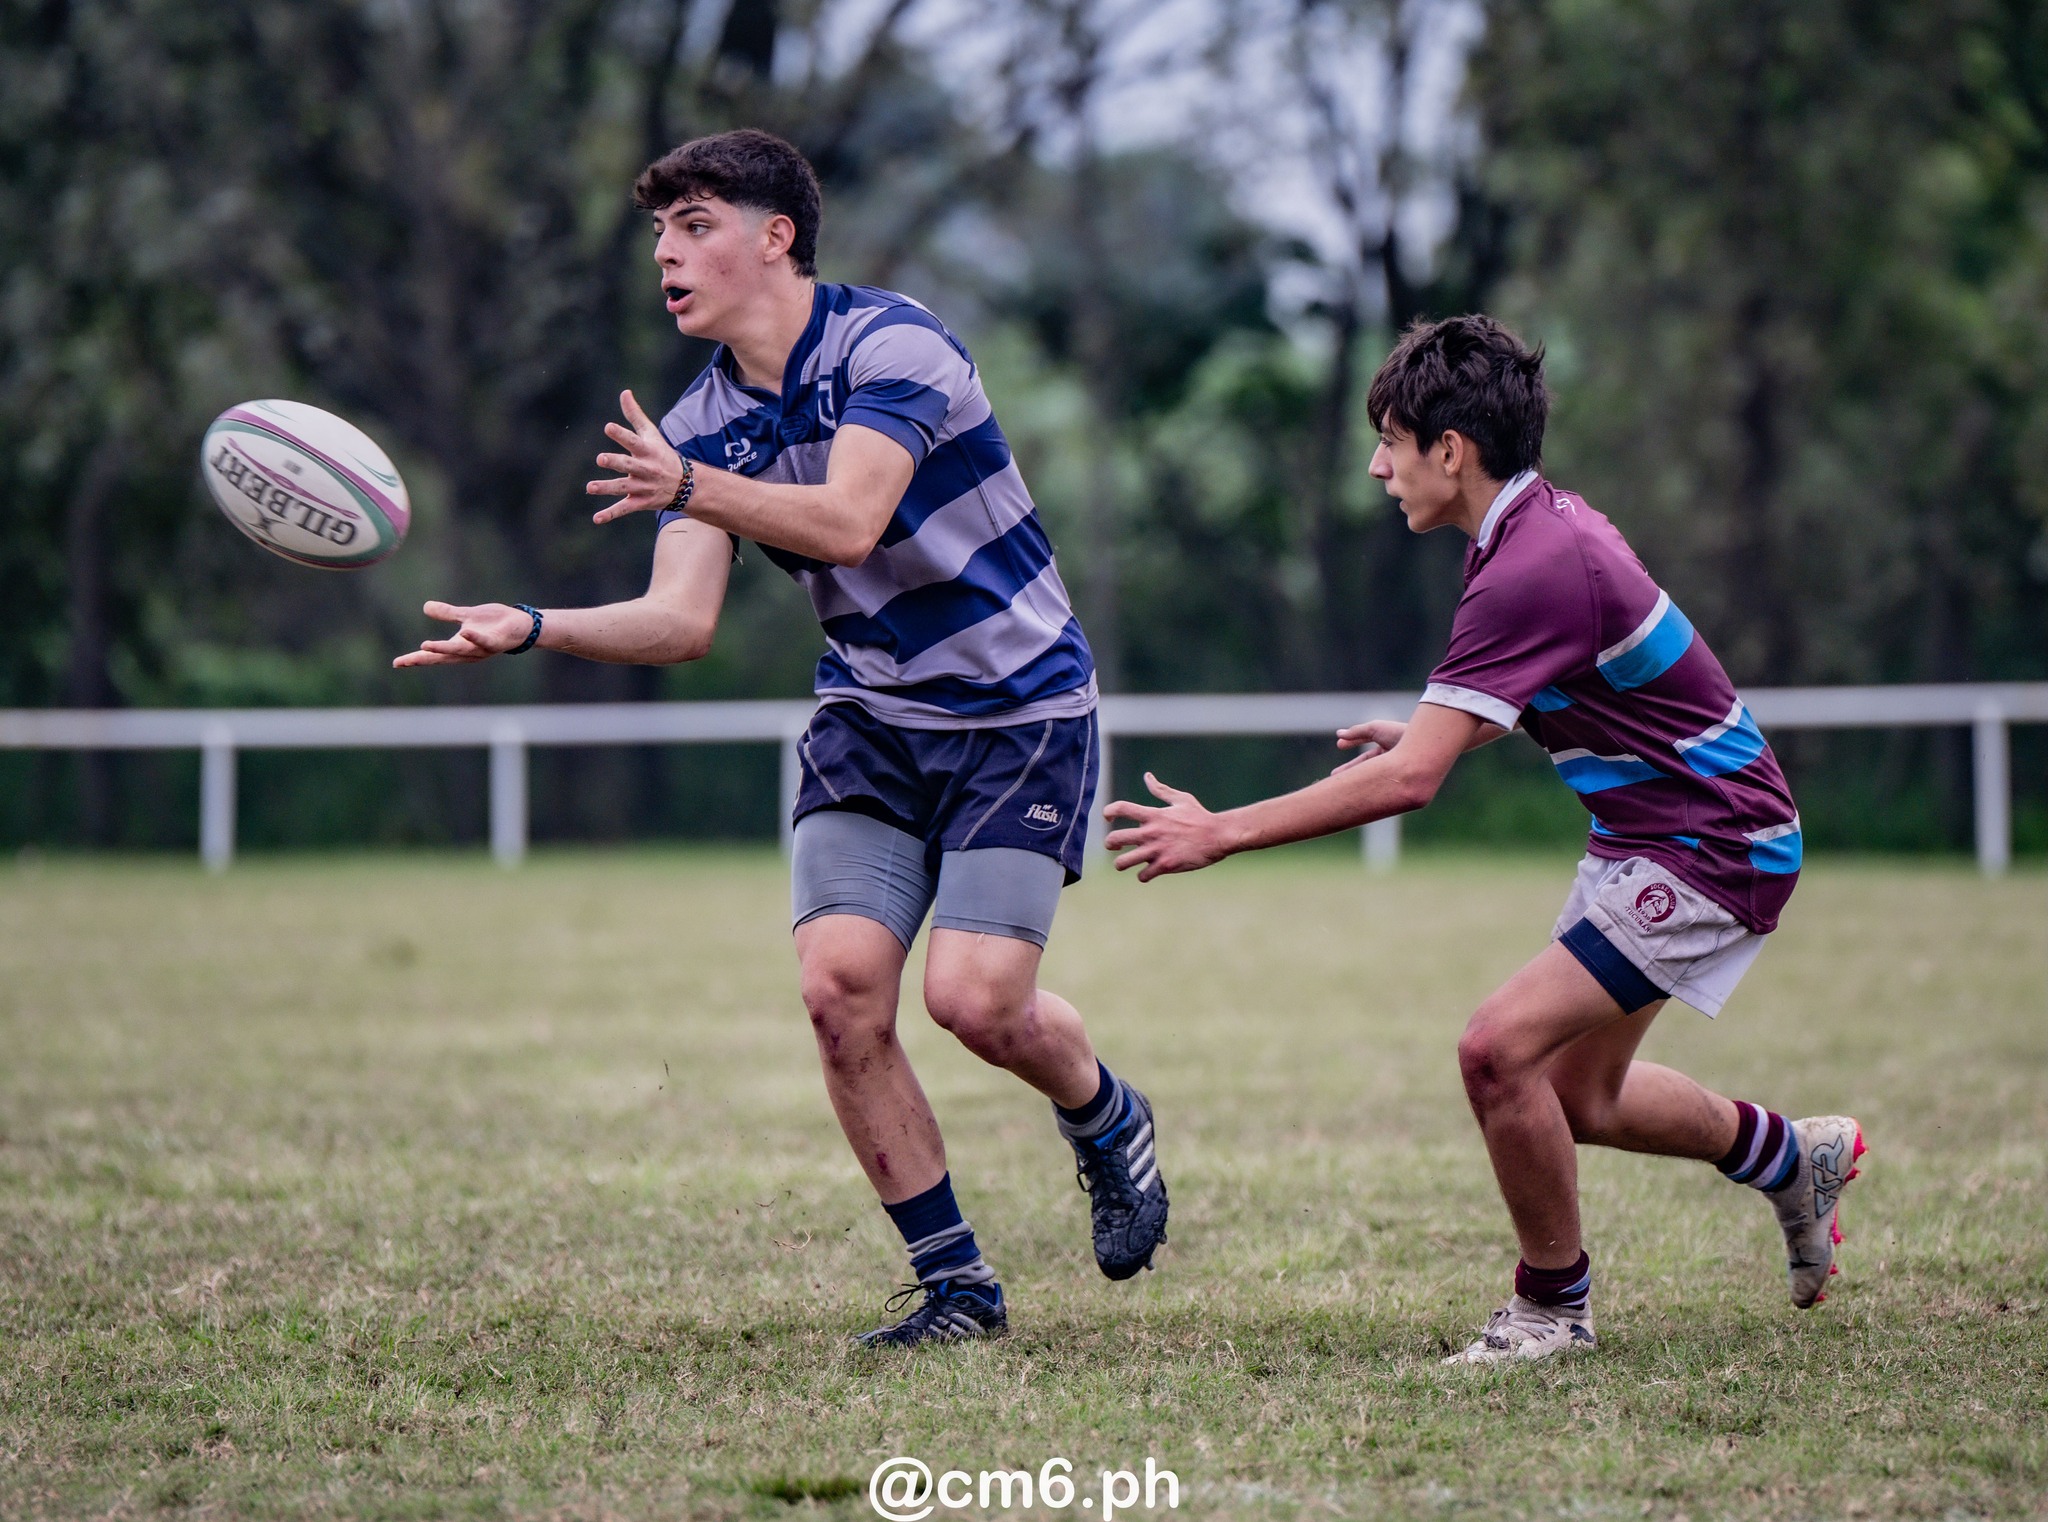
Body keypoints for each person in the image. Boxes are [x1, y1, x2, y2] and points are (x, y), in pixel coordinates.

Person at [394, 129, 1167, 1347]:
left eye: (694, 223)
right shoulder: (697, 424)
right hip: (868, 716)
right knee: (838, 995)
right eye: (659, 232)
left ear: (776, 237)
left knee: (974, 1002)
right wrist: (532, 625)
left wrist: (692, 487)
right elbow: (677, 621)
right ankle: (956, 1287)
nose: (666, 252)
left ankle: (1103, 1113)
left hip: (1016, 711)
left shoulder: (892, 346)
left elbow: (850, 520)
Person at [1102, 314, 1862, 1364]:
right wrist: (1432, 730)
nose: (1377, 466)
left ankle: (1551, 1307)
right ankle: (1790, 1155)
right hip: (1655, 831)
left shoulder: (1528, 562)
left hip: (1711, 843)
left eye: (1389, 442)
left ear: (1448, 450)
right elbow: (1576, 696)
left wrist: (1220, 830)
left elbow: (1413, 781)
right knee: (1573, 1093)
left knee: (1493, 1051)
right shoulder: (1525, 531)